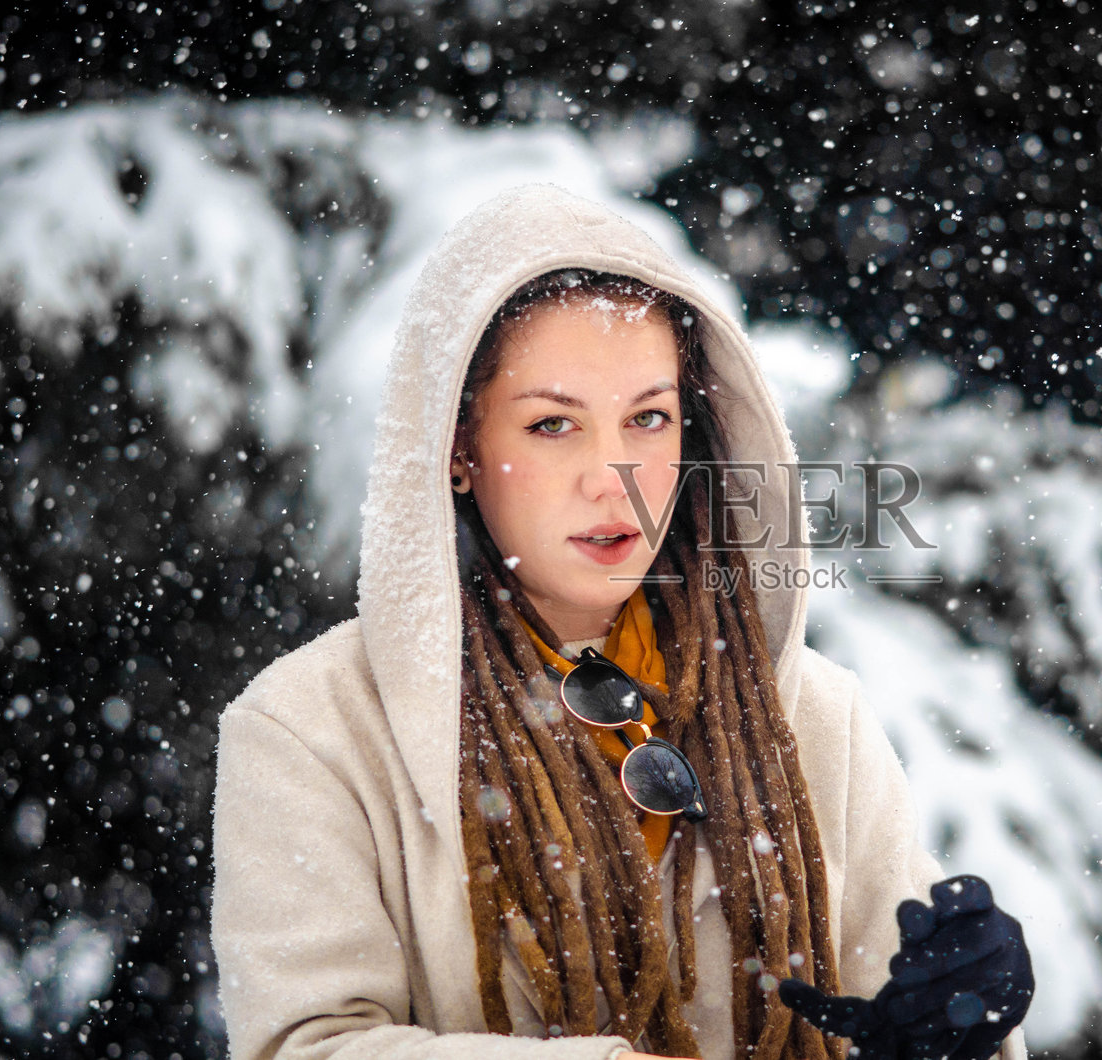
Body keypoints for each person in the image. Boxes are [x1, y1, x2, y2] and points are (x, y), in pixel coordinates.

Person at [210, 185, 1031, 1060]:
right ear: (458, 449)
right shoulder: (311, 729)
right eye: (553, 424)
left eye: (648, 417)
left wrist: (948, 1041)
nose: (613, 476)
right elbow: (306, 1050)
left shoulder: (814, 720)